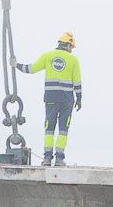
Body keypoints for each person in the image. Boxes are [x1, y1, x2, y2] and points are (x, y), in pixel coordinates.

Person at [17, 32, 84, 166]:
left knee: (49, 129)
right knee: (63, 130)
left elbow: (32, 69)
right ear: (67, 44)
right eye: (71, 46)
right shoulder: (73, 60)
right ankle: (59, 159)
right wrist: (79, 98)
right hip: (67, 100)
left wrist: (16, 65)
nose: (72, 49)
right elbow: (77, 81)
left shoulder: (47, 56)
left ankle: (47, 158)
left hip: (51, 98)